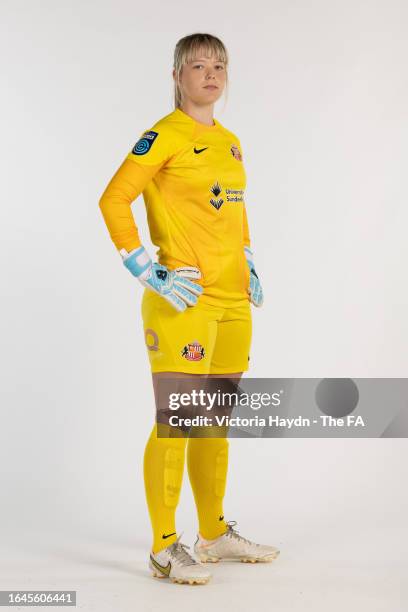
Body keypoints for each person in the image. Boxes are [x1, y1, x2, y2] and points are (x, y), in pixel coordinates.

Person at [99, 32, 279, 585]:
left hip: (231, 301)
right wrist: (145, 268)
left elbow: (233, 210)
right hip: (184, 302)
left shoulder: (229, 141)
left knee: (215, 423)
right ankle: (162, 546)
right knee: (176, 420)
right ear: (177, 75)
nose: (211, 74)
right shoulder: (163, 136)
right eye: (198, 65)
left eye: (219, 65)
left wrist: (247, 259)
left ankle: (213, 532)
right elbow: (113, 198)